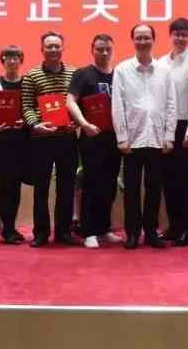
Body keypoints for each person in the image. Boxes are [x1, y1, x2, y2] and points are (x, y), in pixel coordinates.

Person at [112, 24, 176, 249]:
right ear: (133, 40)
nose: (142, 41)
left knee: (154, 188)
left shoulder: (165, 70)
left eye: (146, 38)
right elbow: (117, 105)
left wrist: (169, 136)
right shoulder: (122, 70)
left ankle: (150, 231)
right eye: (138, 38)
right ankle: (132, 233)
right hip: (132, 139)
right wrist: (121, 137)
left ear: (153, 40)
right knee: (130, 189)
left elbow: (171, 104)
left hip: (157, 138)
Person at [21, 31, 79, 247]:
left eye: (57, 46)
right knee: (41, 188)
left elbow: (78, 104)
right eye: (49, 46)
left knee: (67, 187)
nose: (53, 50)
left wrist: (76, 123)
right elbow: (26, 106)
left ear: (62, 48)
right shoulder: (32, 75)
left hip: (67, 138)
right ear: (42, 49)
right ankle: (41, 233)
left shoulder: (74, 73)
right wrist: (36, 124)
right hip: (41, 139)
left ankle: (64, 231)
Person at [67, 34, 122, 249]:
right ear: (92, 50)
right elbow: (70, 101)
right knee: (91, 183)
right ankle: (89, 231)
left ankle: (104, 228)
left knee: (110, 184)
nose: (104, 53)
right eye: (100, 49)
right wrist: (84, 124)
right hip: (92, 137)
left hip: (115, 138)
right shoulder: (83, 74)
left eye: (108, 49)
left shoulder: (119, 74)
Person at [157, 18, 188, 245]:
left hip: (185, 126)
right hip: (165, 126)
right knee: (168, 179)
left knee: (185, 180)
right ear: (170, 35)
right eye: (176, 33)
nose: (180, 38)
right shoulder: (161, 62)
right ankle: (174, 226)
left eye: (184, 34)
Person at [0, 45, 30, 244]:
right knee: (6, 187)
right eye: (8, 58)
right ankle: (7, 229)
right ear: (2, 60)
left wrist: (26, 122)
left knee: (16, 187)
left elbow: (31, 110)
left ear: (21, 60)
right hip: (4, 142)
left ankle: (11, 227)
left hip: (23, 142)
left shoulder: (27, 83)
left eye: (16, 58)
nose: (12, 61)